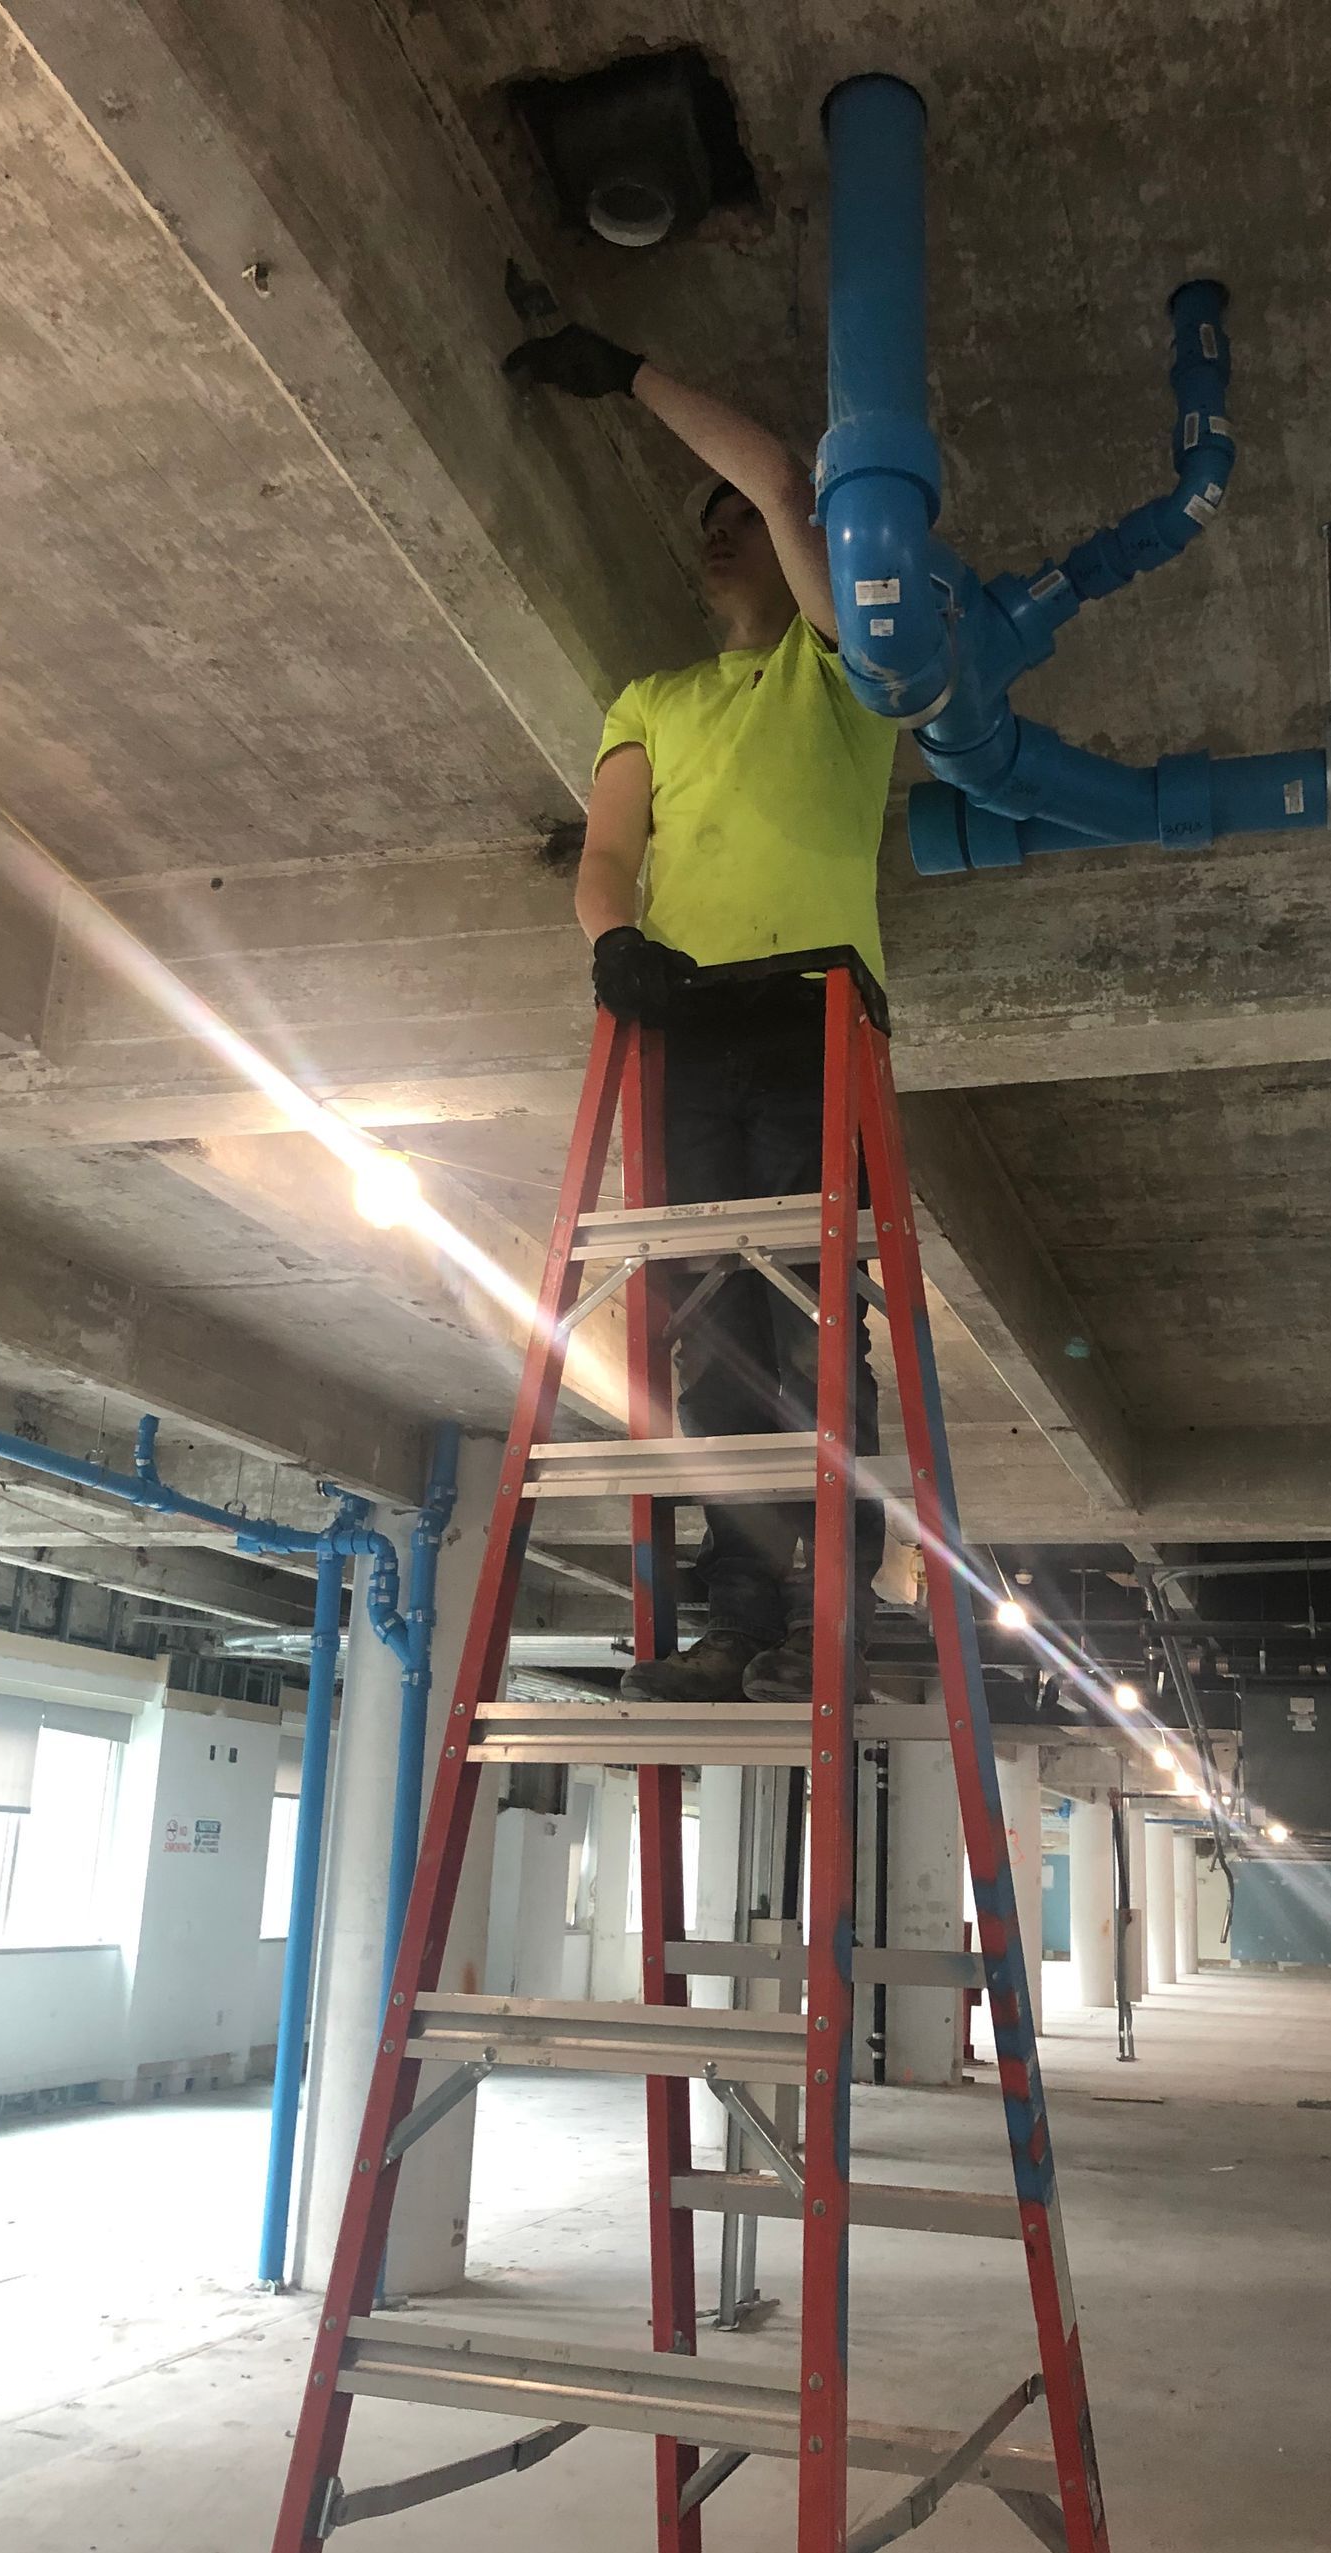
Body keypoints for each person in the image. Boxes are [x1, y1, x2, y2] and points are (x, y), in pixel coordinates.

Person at [504, 321, 892, 1705]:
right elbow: (607, 857)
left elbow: (784, 477)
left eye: (745, 519)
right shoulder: (654, 699)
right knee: (708, 1331)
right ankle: (740, 1620)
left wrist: (632, 375)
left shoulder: (845, 673)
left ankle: (817, 1619)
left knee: (802, 1324)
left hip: (812, 1014)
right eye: (710, 521)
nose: (729, 527)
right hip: (683, 1019)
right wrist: (612, 945)